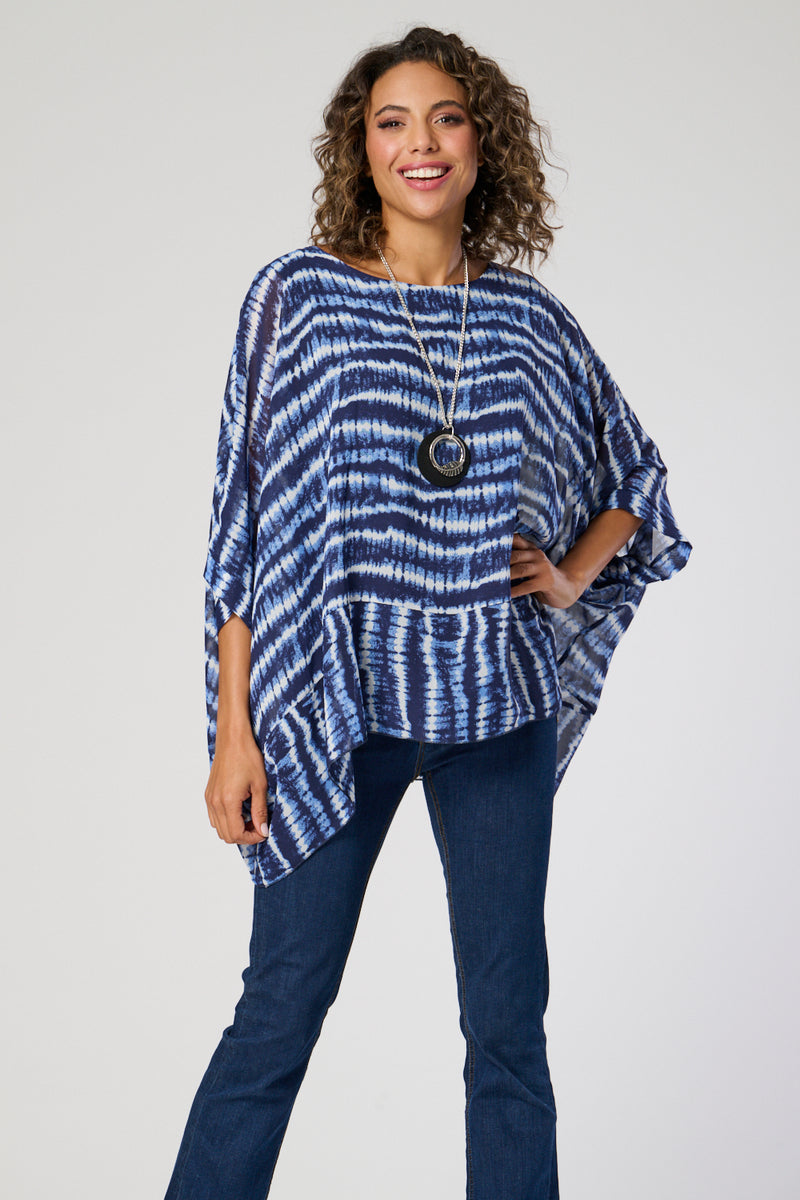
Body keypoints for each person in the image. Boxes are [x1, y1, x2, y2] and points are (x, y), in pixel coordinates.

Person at [164, 25, 691, 1200]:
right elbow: (241, 526)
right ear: (359, 149)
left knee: (506, 1028)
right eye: (391, 121)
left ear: (479, 144)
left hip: (493, 704)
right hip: (333, 702)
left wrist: (568, 572)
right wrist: (235, 730)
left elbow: (634, 479)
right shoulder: (296, 298)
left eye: (445, 118)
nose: (421, 142)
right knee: (278, 1009)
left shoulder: (523, 319)